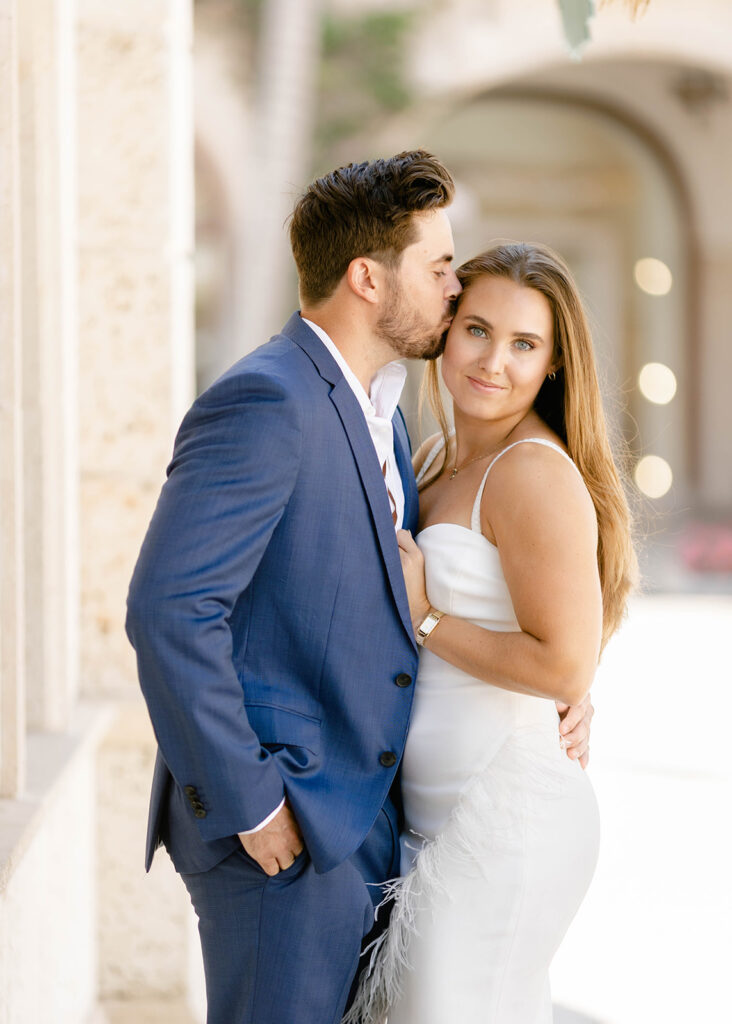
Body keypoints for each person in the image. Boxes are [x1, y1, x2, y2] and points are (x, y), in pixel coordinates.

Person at [125, 153, 594, 1024]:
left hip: (377, 825)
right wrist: (252, 801)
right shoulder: (268, 400)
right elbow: (169, 610)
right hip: (283, 825)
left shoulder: (386, 411)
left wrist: (549, 695)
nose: (455, 293)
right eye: (441, 268)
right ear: (368, 277)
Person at [346, 242, 636, 1024]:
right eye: (476, 329)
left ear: (552, 365)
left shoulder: (532, 470)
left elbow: (565, 660)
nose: (493, 362)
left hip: (504, 823)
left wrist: (428, 616)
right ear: (445, 329)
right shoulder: (436, 459)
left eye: (524, 345)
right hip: (431, 823)